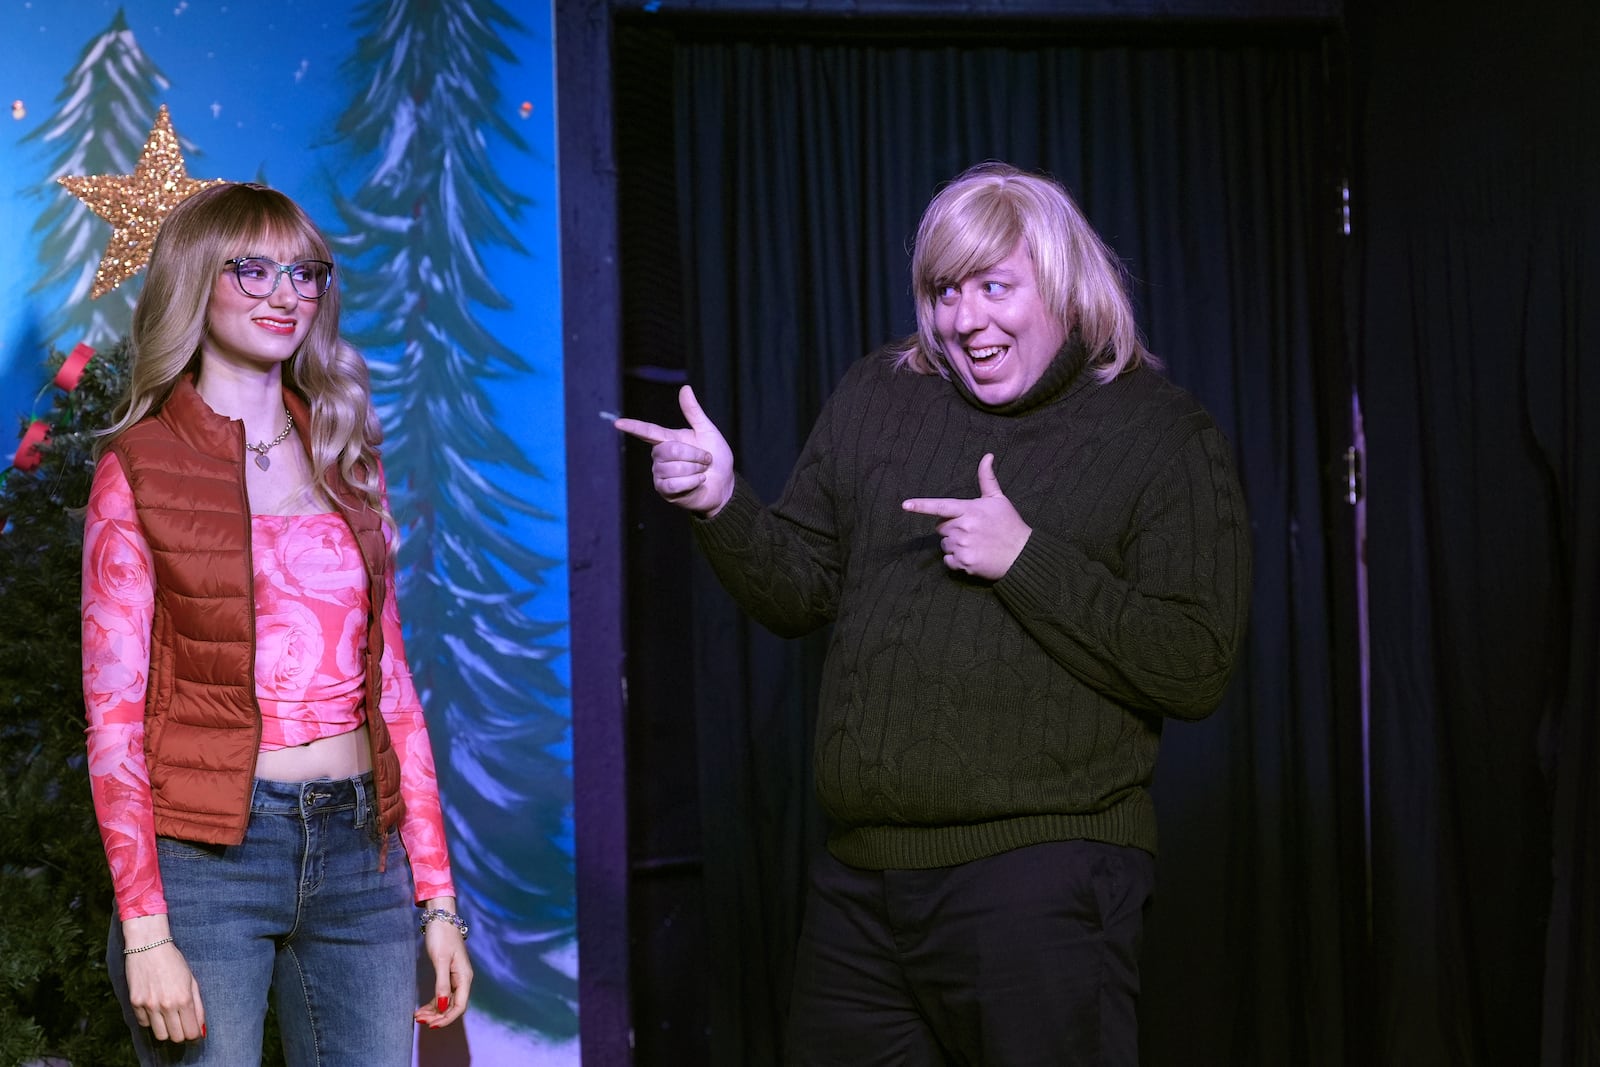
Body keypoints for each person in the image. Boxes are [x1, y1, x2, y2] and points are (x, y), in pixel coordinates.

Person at [616, 161, 1251, 1065]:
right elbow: (799, 590)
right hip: (859, 893)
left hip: (1044, 886)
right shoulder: (880, 395)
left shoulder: (1161, 433)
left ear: (1065, 287)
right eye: (946, 291)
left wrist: (1024, 558)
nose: (967, 320)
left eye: (996, 287)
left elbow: (1196, 661)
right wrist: (724, 503)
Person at [80, 181, 472, 1064]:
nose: (284, 293)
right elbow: (112, 720)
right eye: (250, 269)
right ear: (194, 279)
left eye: (304, 271)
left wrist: (437, 900)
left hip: (360, 855)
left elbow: (395, 691)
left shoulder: (344, 452)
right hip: (207, 857)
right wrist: (146, 929)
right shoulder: (141, 468)